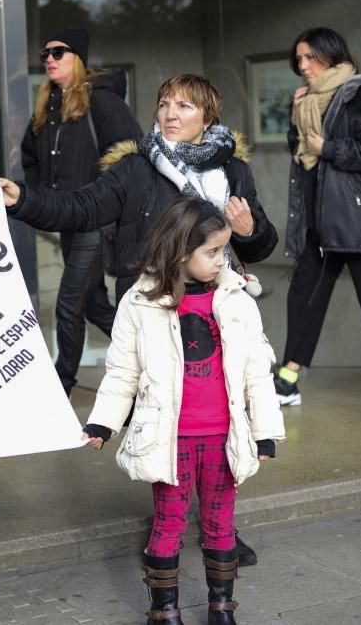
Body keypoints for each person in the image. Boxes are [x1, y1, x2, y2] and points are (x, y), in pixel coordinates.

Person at [1, 73, 277, 564]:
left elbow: (258, 243)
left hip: (218, 314)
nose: (171, 113)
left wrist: (249, 229)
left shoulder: (233, 172)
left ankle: (222, 528)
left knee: (219, 421)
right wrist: (24, 200)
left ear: (207, 118)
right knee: (168, 416)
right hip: (157, 314)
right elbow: (81, 207)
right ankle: (171, 521)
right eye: (165, 103)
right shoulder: (136, 169)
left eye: (185, 107)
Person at [78, 197, 285, 625]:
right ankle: (164, 610)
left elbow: (257, 374)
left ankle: (222, 607)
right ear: (180, 251)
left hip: (223, 437)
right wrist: (104, 420)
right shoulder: (140, 302)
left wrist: (265, 430)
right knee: (169, 522)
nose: (220, 260)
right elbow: (123, 371)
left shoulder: (236, 299)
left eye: (224, 251)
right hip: (168, 438)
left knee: (220, 523)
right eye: (211, 252)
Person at [21, 27, 143, 398]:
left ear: (80, 58)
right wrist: (43, 198)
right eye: (45, 53)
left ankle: (62, 385)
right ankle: (150, 360)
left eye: (59, 52)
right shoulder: (48, 106)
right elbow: (29, 156)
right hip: (67, 221)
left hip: (95, 220)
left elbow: (131, 156)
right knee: (93, 305)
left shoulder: (102, 102)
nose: (50, 59)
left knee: (68, 304)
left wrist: (104, 199)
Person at [273, 27, 361, 407]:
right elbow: (298, 151)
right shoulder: (307, 101)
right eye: (298, 60)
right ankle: (287, 381)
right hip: (318, 224)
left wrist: (327, 146)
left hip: (357, 225)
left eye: (309, 58)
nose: (303, 66)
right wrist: (294, 116)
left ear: (330, 56)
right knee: (303, 300)